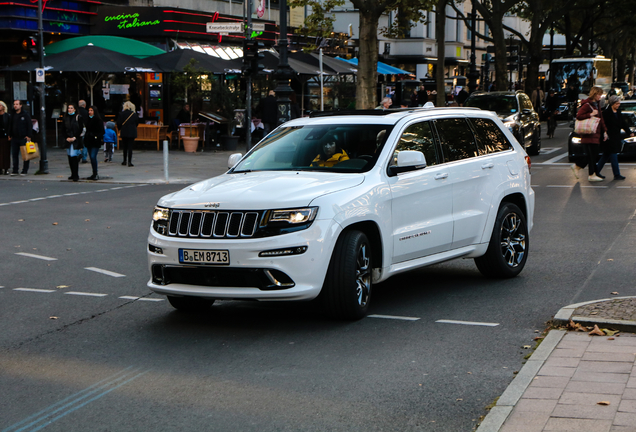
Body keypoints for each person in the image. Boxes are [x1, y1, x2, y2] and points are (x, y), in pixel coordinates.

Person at [572, 86, 607, 182]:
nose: (600, 96)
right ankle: (590, 174)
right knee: (591, 155)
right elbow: (579, 116)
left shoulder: (597, 104)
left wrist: (605, 131)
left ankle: (584, 169)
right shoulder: (587, 105)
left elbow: (601, 119)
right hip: (589, 133)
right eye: (599, 94)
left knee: (592, 155)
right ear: (595, 94)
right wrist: (591, 114)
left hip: (595, 133)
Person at [597, 95, 632, 180]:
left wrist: (629, 132)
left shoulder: (618, 112)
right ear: (612, 103)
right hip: (608, 138)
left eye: (619, 103)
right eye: (617, 103)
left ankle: (596, 171)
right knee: (613, 155)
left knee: (606, 155)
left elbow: (623, 123)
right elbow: (602, 125)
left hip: (616, 137)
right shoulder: (606, 113)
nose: (618, 105)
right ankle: (616, 174)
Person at [9, 100, 32, 176]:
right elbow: (10, 125)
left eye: (17, 104)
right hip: (15, 137)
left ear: (21, 105)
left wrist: (29, 136)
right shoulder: (13, 114)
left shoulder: (25, 115)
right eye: (14, 104)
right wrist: (10, 134)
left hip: (23, 137)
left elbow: (29, 125)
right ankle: (15, 169)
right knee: (14, 154)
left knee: (25, 154)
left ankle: (25, 170)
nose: (15, 106)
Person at [62, 103, 85, 182]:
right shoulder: (65, 118)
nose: (70, 109)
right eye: (69, 108)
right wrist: (67, 138)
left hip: (76, 139)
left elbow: (80, 128)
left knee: (73, 156)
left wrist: (75, 137)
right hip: (68, 139)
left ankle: (75, 174)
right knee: (70, 156)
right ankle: (72, 173)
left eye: (71, 108)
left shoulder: (78, 117)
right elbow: (63, 129)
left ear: (74, 109)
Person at [84, 106, 105, 180]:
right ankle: (94, 173)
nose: (90, 112)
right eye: (89, 110)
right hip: (89, 140)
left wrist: (96, 136)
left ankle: (95, 173)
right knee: (91, 157)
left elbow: (102, 131)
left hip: (95, 141)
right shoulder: (87, 119)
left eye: (91, 110)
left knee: (93, 156)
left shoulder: (98, 120)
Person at [117, 101, 139, 167]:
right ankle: (129, 162)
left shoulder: (121, 114)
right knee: (130, 147)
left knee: (124, 147)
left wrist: (120, 128)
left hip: (124, 131)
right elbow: (137, 123)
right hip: (132, 132)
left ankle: (124, 160)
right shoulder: (134, 114)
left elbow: (118, 123)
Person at [0, 101, 10, 175]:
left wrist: (9, 134)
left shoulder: (7, 116)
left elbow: (9, 126)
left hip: (5, 136)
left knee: (6, 153)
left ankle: (6, 168)